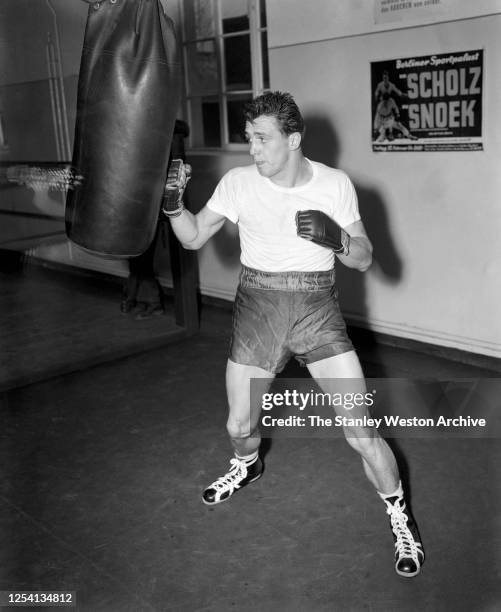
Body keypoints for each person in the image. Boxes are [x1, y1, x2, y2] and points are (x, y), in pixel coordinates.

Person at [163, 92, 424, 578]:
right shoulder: (239, 183)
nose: (253, 150)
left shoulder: (333, 184)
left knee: (361, 431)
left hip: (315, 309)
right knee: (238, 427)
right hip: (257, 307)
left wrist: (337, 237)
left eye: (262, 139)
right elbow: (195, 236)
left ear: (294, 139)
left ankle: (399, 516)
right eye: (250, 139)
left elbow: (364, 258)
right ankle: (247, 465)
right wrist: (174, 206)